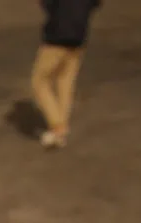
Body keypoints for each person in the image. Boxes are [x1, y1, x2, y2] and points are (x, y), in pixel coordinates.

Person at [32, 0, 101, 149]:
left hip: (57, 35)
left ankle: (57, 125)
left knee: (39, 81)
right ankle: (61, 127)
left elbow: (48, 4)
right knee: (65, 81)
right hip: (79, 34)